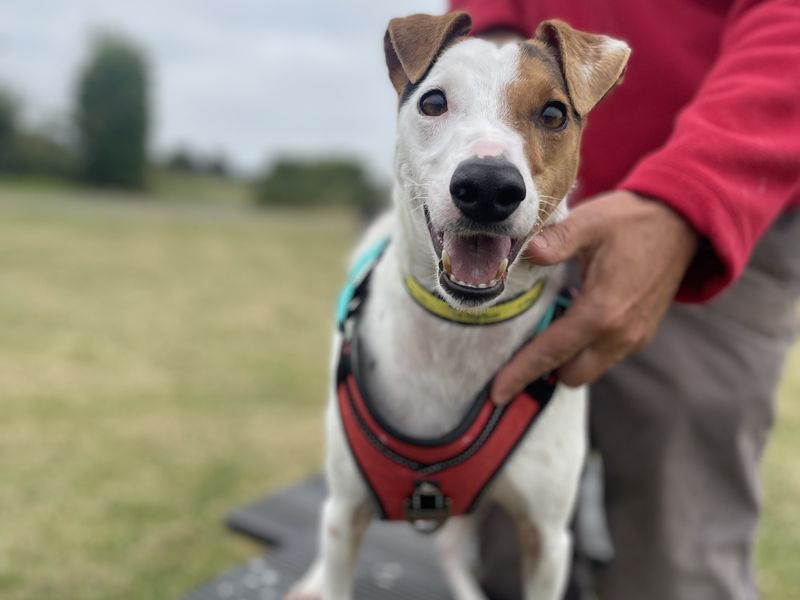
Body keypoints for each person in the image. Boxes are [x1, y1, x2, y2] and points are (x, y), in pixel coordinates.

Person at [448, 1, 800, 599]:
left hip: (722, 212)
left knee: (676, 560)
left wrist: (691, 194)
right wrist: (493, 53)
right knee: (512, 554)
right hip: (513, 219)